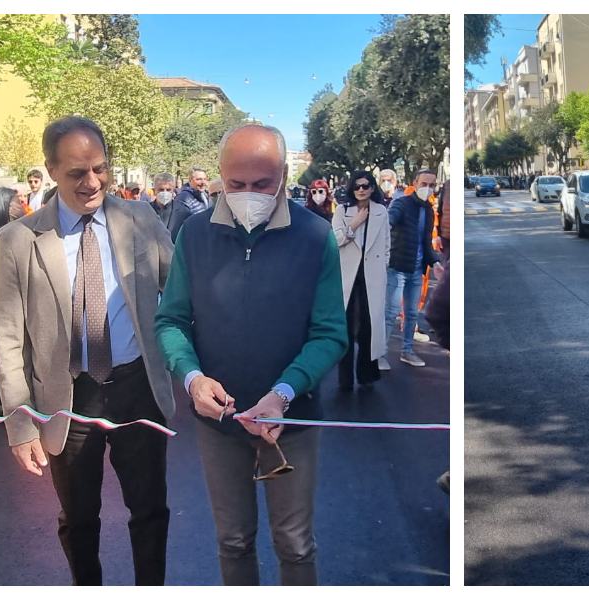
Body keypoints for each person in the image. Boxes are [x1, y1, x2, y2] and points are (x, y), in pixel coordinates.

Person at [154, 123, 347, 586]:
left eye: (261, 184)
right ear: (220, 175)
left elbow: (330, 333)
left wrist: (284, 392)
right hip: (218, 424)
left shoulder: (316, 236)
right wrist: (192, 378)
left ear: (283, 175)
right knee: (233, 541)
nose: (247, 194)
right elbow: (171, 321)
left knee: (295, 544)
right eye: (236, 184)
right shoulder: (195, 236)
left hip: (292, 420)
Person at [0, 116, 175, 585]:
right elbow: (10, 337)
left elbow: (177, 296)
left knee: (151, 511)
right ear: (51, 170)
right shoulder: (16, 240)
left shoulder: (141, 220)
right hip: (67, 399)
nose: (92, 182)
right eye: (77, 172)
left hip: (137, 387)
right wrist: (19, 424)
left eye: (100, 168)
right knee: (78, 519)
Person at [332, 170, 389, 390]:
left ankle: (367, 375)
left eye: (366, 186)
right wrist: (353, 225)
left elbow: (385, 244)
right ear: (351, 189)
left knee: (369, 326)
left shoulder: (381, 212)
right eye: (357, 186)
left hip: (372, 276)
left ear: (373, 188)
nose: (362, 190)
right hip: (347, 275)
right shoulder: (342, 210)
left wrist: (383, 266)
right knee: (345, 327)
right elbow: (334, 241)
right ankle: (344, 378)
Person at [383, 169, 442, 369]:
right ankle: (379, 354)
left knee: (412, 313)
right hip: (398, 267)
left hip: (417, 271)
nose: (427, 188)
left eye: (432, 185)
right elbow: (387, 223)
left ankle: (407, 351)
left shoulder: (428, 210)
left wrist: (435, 262)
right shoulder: (401, 203)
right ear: (414, 183)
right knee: (390, 312)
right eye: (424, 184)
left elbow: (426, 242)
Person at [0, 187, 26, 415]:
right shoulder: (1, 235)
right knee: (4, 351)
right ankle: (4, 401)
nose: (20, 204)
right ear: (4, 205)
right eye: (15, 201)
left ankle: (0, 401)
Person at [168, 167, 210, 241]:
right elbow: (176, 228)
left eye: (205, 179)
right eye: (199, 179)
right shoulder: (183, 199)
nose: (203, 182)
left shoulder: (205, 195)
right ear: (190, 180)